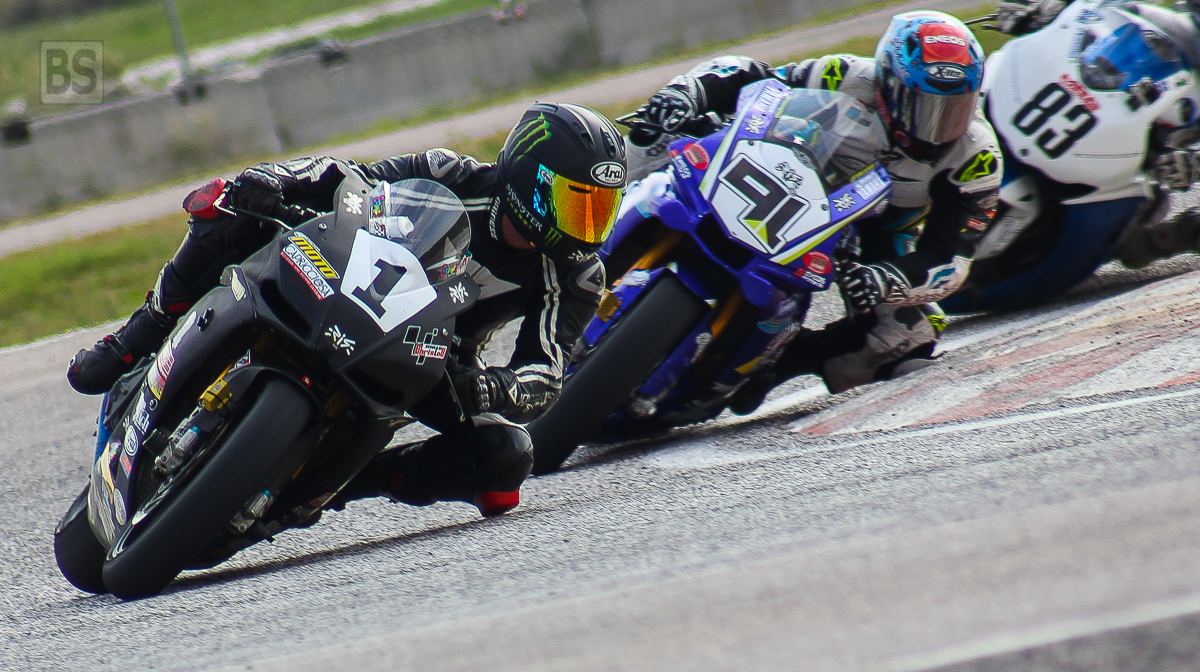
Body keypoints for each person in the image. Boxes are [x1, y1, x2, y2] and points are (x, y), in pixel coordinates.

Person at [67, 102, 627, 515]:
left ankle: (349, 479)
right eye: (576, 204)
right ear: (530, 181)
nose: (587, 227)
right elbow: (350, 179)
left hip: (434, 358)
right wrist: (278, 180)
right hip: (347, 278)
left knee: (506, 459)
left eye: (600, 210)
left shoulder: (577, 275)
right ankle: (139, 336)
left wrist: (495, 389)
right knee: (230, 206)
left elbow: (546, 372)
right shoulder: (449, 173)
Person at [630, 10, 1002, 409]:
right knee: (655, 134)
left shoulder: (977, 157)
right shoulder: (844, 74)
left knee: (908, 336)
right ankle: (596, 228)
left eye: (955, 108)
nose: (939, 127)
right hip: (783, 173)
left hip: (869, 229)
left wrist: (885, 279)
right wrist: (687, 94)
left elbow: (949, 257)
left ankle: (775, 362)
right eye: (925, 107)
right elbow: (757, 80)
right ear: (889, 84)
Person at [995, 0, 1200, 269]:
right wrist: (1041, 12)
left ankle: (1164, 238)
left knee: (1145, 207)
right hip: (1079, 101)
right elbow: (1091, 17)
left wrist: (1194, 163)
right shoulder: (1161, 25)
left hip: (1131, 155)